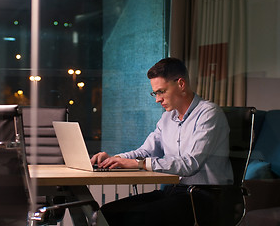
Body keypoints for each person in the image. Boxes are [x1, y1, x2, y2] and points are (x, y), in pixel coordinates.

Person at [90, 57, 233, 225]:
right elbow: (146, 151)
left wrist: (139, 164)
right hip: (174, 191)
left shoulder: (209, 114)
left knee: (137, 217)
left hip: (204, 196)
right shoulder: (167, 117)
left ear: (181, 84)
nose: (157, 99)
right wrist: (115, 159)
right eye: (155, 93)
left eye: (161, 91)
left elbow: (190, 164)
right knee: (106, 214)